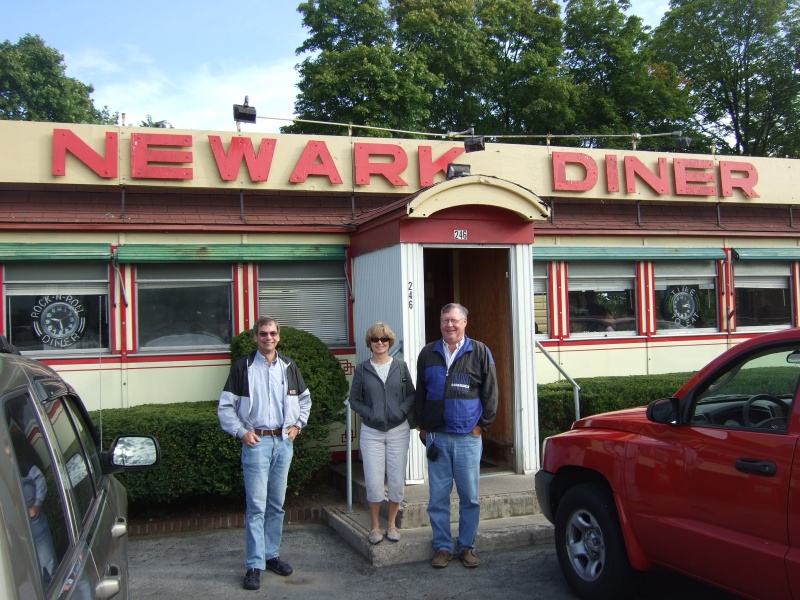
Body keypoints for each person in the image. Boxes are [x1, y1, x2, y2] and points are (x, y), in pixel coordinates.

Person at [218, 316, 312, 592]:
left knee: (276, 505)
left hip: (283, 443)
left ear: (278, 337)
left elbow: (304, 400)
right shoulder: (242, 368)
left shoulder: (289, 366)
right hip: (256, 443)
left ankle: (271, 555)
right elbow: (225, 407)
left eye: (272, 333)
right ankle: (254, 564)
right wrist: (241, 432)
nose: (268, 338)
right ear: (255, 338)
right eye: (263, 334)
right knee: (256, 507)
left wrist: (298, 425)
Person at [415, 303, 498, 569]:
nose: (449, 325)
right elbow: (420, 394)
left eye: (454, 320)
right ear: (439, 323)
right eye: (444, 321)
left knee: (469, 496)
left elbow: (491, 393)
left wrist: (482, 426)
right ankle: (442, 547)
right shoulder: (428, 353)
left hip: (467, 437)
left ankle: (467, 546)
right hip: (437, 437)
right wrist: (422, 426)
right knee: (437, 497)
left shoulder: (480, 351)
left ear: (465, 323)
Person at [348, 322, 415, 545]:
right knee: (374, 479)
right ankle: (375, 525)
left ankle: (392, 524)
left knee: (396, 479)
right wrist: (370, 414)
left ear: (390, 343)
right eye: (375, 339)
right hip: (372, 431)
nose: (380, 343)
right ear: (370, 342)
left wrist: (401, 411)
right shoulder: (362, 369)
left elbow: (411, 395)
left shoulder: (401, 367)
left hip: (398, 430)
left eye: (384, 340)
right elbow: (354, 400)